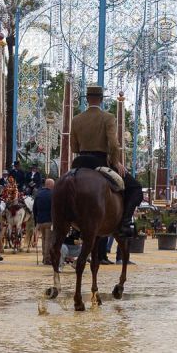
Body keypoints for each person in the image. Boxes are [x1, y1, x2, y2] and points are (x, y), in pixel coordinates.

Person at [69, 85, 143, 236]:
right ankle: (125, 222)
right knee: (135, 188)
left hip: (80, 161)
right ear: (101, 100)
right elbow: (114, 144)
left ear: (87, 99)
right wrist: (115, 162)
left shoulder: (76, 119)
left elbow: (74, 147)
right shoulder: (108, 118)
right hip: (99, 162)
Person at [33, 178, 54, 264]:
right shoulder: (53, 194)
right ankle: (47, 259)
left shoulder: (38, 194)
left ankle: (44, 256)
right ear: (50, 185)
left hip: (40, 221)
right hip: (49, 220)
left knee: (44, 239)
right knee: (48, 240)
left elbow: (34, 209)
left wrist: (36, 221)